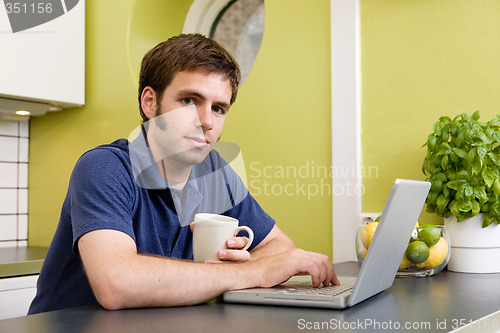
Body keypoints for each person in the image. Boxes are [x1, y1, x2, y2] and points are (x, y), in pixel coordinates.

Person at [28, 33, 339, 314]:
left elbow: (280, 247)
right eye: (190, 100)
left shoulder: (214, 172)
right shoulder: (105, 167)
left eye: (219, 108)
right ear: (150, 102)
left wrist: (240, 261)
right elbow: (116, 284)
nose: (207, 121)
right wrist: (250, 272)